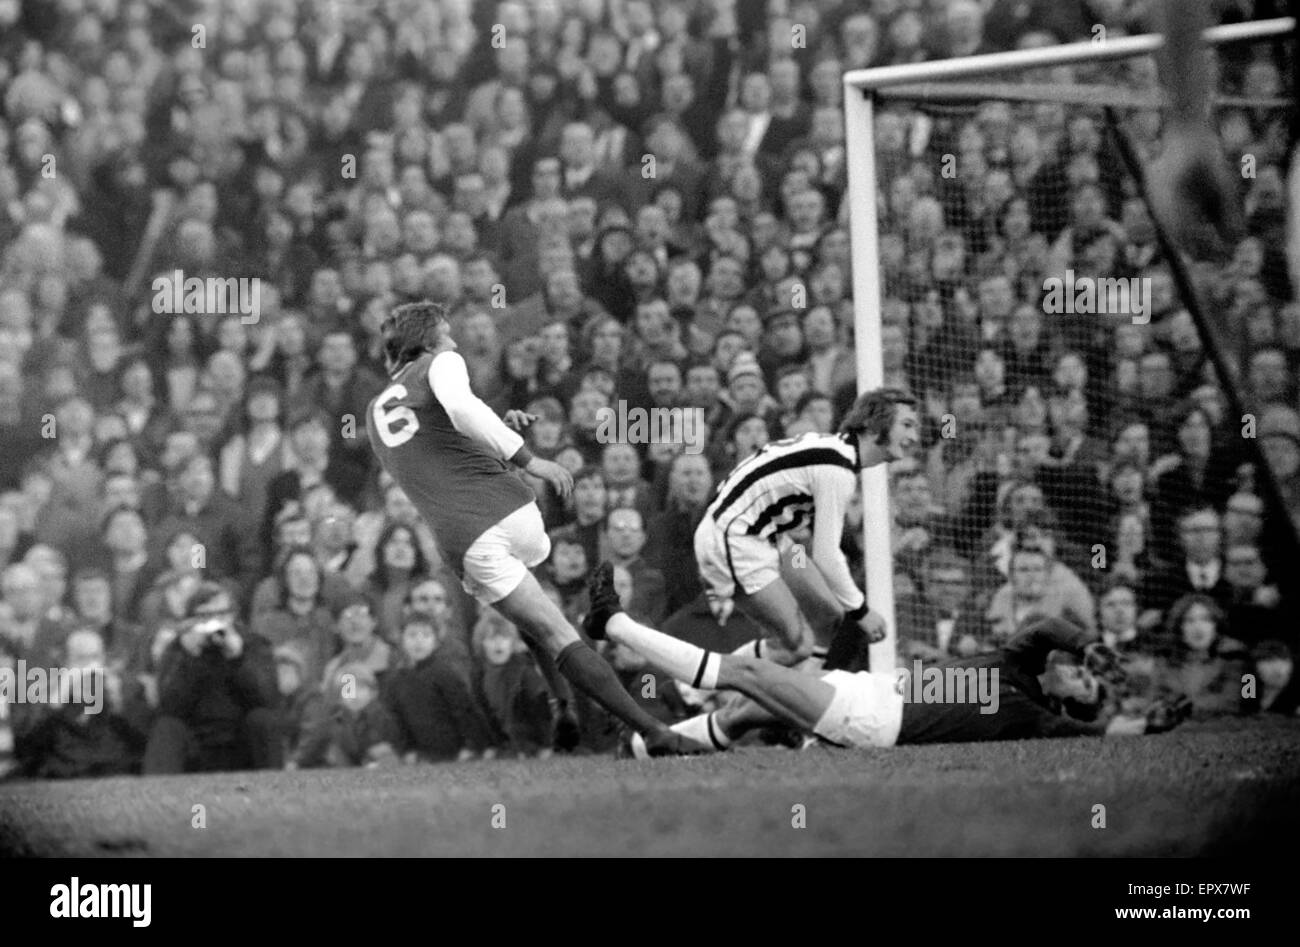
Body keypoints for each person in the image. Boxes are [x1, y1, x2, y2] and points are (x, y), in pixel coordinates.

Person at [365, 300, 699, 755]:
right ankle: (639, 727)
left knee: (545, 625)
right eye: (447, 334)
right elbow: (462, 412)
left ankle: (604, 715)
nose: (455, 342)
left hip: (465, 540)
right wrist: (528, 456)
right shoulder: (440, 362)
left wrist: (497, 428)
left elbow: (437, 449)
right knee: (548, 624)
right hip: (508, 509)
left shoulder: (375, 412)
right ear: (426, 343)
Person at [582, 563, 1184, 758]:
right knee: (744, 713)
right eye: (1077, 668)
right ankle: (643, 747)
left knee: (749, 673)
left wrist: (1147, 723)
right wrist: (1091, 646)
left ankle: (614, 624)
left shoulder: (1031, 713)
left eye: (1081, 681)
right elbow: (1049, 627)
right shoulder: (1019, 658)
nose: (1076, 674)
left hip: (873, 721)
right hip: (867, 689)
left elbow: (1101, 731)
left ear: (1067, 700)